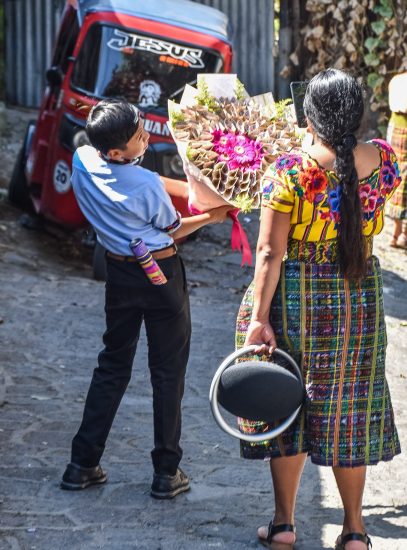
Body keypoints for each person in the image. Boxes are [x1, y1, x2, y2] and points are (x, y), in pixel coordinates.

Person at [235, 69, 401, 549]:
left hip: (296, 299)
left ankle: (284, 524)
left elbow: (269, 254)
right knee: (350, 405)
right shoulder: (385, 162)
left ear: (309, 116)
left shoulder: (289, 171)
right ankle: (355, 530)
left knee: (285, 399)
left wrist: (259, 319)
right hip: (360, 294)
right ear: (359, 114)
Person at [60, 99, 231, 499]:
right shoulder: (146, 186)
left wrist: (195, 190)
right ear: (118, 152)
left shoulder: (85, 158)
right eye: (139, 136)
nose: (147, 136)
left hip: (119, 273)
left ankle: (81, 464)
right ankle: (166, 473)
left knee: (112, 365)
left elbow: (144, 181)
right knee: (167, 373)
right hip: (160, 276)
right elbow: (173, 229)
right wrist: (214, 214)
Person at [386, 71, 407, 249]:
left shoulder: (396, 80)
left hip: (395, 130)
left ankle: (395, 232)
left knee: (396, 173)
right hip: (403, 130)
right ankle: (403, 235)